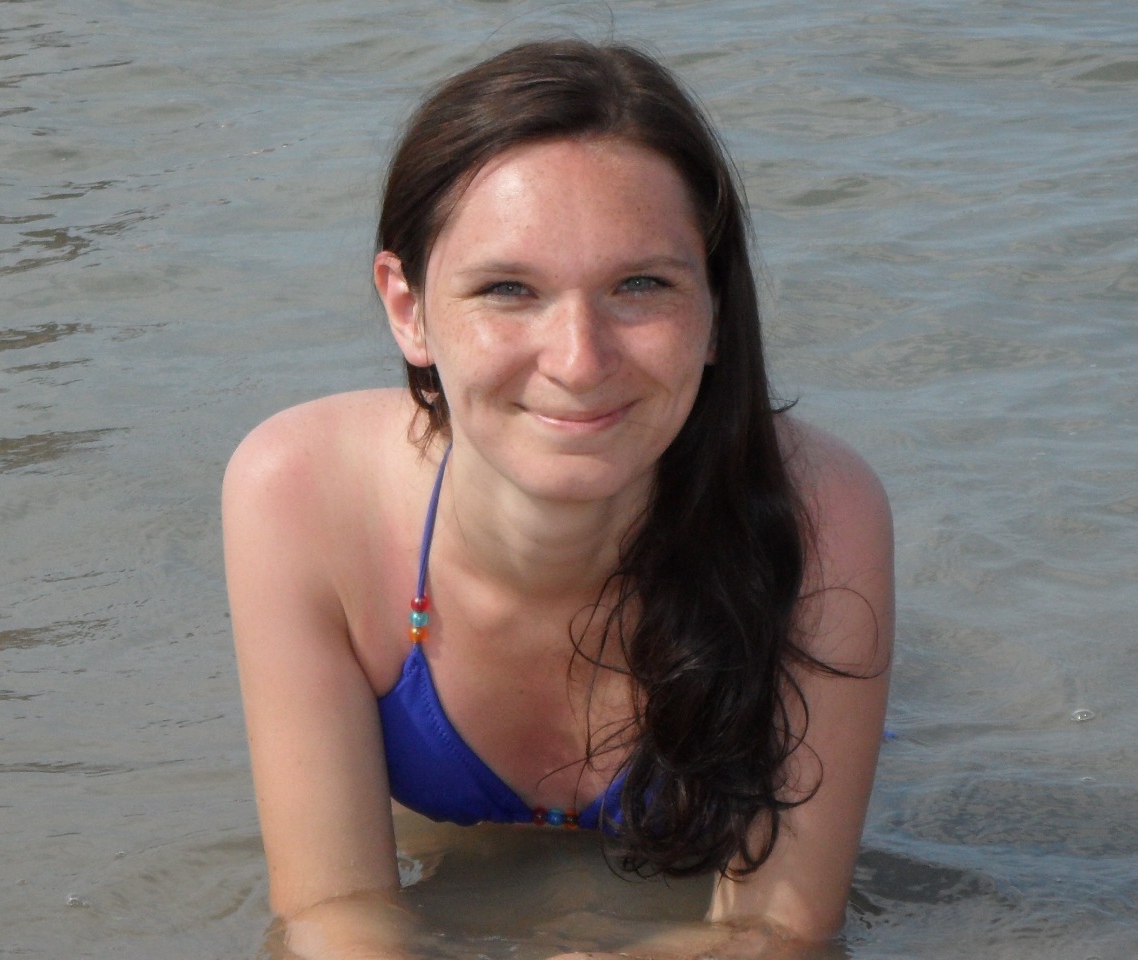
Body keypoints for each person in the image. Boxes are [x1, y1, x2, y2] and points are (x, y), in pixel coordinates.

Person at [223, 39, 893, 960]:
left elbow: (780, 929)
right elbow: (333, 910)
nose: (579, 361)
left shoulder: (820, 513)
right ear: (408, 309)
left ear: (716, 309)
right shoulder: (298, 494)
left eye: (640, 285)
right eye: (509, 289)